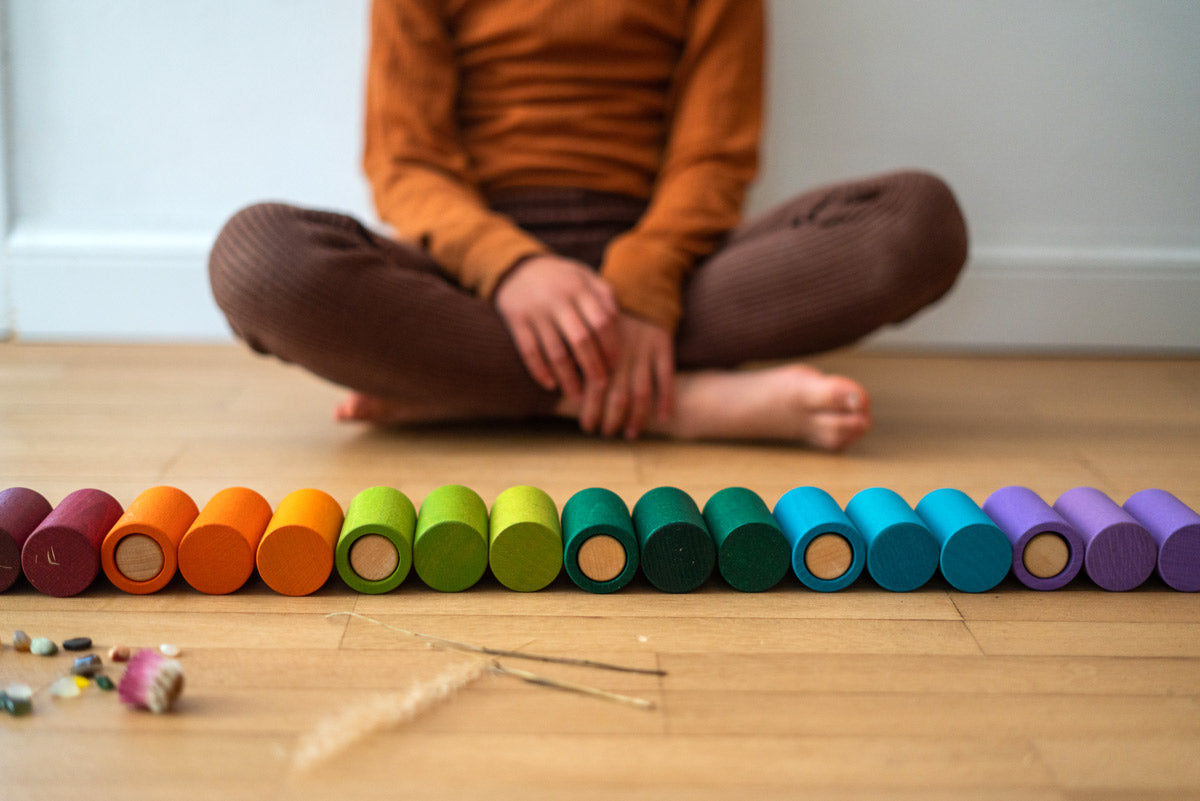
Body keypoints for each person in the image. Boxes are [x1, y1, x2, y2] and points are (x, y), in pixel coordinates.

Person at [208, 0, 968, 451]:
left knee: (918, 221)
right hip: (475, 274)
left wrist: (642, 285)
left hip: (666, 267)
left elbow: (714, 152)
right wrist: (511, 266)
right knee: (257, 259)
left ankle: (475, 391)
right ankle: (674, 402)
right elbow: (406, 162)